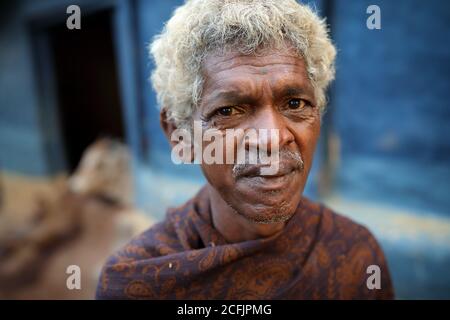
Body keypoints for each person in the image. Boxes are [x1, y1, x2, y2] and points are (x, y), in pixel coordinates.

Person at [96, 0, 394, 299]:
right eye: (228, 111)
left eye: (295, 104)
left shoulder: (354, 256)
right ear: (179, 135)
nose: (272, 139)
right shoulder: (137, 283)